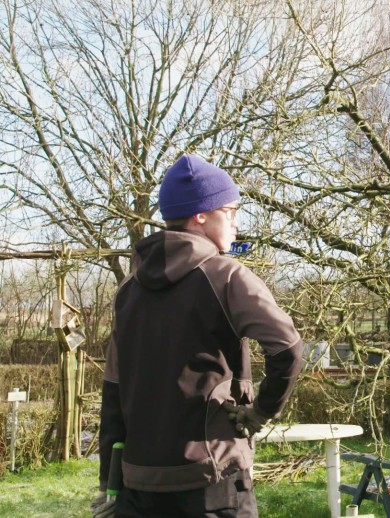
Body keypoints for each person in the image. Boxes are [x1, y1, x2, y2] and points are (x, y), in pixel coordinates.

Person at [92, 155, 305, 517]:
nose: (236, 223)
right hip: (212, 485)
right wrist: (261, 411)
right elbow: (288, 348)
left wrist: (109, 487)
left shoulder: (129, 289)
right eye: (231, 211)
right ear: (201, 215)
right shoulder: (226, 276)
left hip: (138, 489)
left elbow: (113, 393)